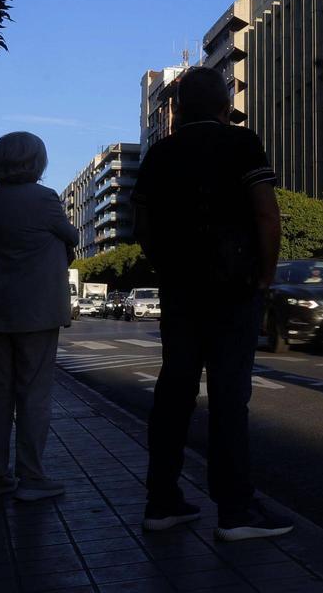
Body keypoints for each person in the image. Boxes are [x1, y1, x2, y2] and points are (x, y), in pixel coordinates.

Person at [133, 66, 292, 540]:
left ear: (177, 110)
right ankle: (235, 509)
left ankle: (162, 501)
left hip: (181, 289)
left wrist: (167, 265)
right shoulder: (242, 144)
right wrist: (264, 275)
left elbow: (142, 225)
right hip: (233, 287)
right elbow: (267, 214)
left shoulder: (161, 153)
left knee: (173, 392)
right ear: (226, 107)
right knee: (228, 397)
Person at [0, 132, 78, 501]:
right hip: (37, 311)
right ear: (36, 162)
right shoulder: (44, 199)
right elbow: (72, 235)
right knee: (33, 394)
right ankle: (31, 477)